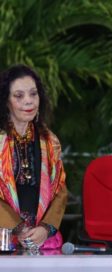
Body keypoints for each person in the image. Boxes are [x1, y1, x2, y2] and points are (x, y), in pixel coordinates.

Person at [0, 65, 67, 250]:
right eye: (19, 96)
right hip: (4, 239)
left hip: (42, 240)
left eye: (33, 94)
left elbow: (60, 191)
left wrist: (46, 228)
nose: (29, 101)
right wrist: (18, 228)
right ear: (6, 101)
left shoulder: (49, 141)